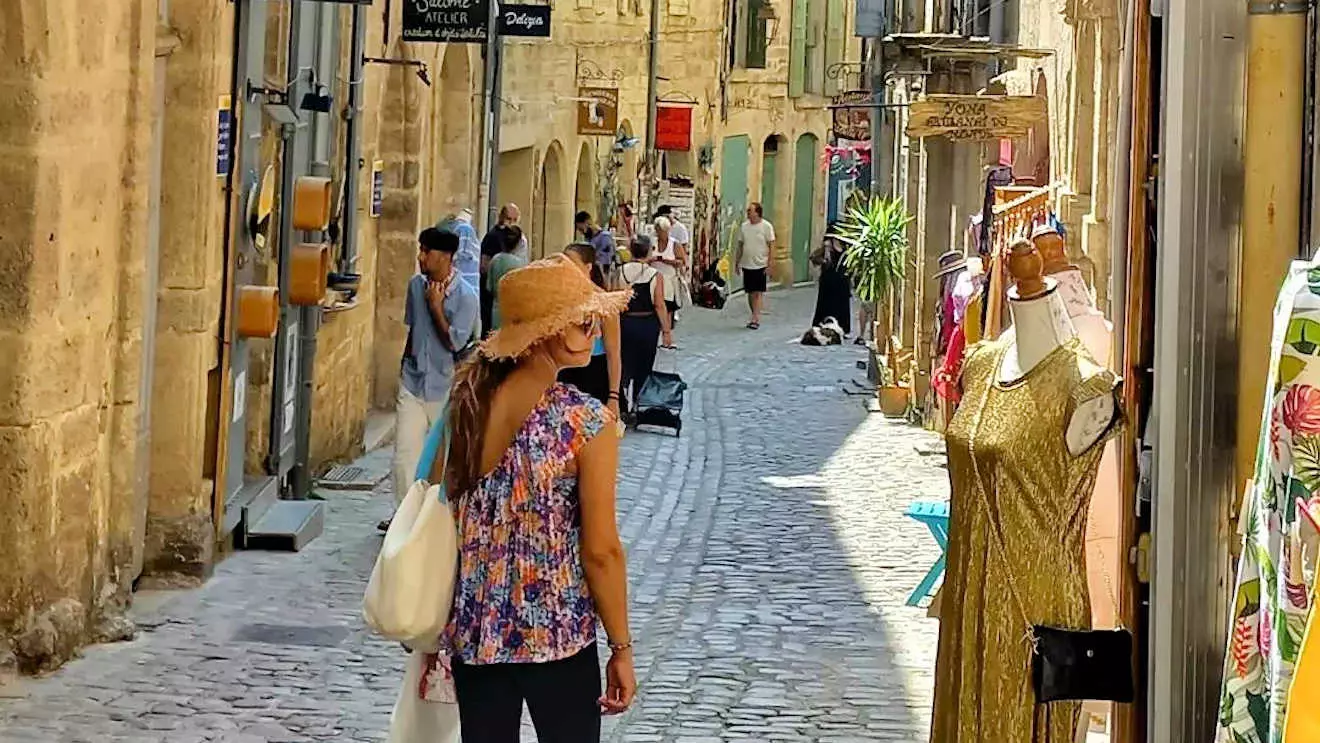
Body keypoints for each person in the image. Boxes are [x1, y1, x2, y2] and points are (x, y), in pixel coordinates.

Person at [438, 256, 636, 742]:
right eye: (583, 320)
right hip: (556, 634)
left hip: (478, 631)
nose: (594, 330)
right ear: (548, 332)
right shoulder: (584, 422)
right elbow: (601, 550)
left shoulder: (467, 405)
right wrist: (622, 648)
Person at [383, 228, 479, 532]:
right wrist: (405, 364)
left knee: (442, 458)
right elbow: (414, 330)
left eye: (427, 251)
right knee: (404, 455)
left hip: (445, 386)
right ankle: (403, 517)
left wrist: (437, 307)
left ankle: (435, 520)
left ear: (445, 257)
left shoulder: (466, 298)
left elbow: (455, 343)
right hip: (413, 381)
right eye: (421, 250)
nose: (420, 257)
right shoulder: (415, 286)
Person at [560, 243, 624, 417]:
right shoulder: (559, 298)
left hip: (593, 373)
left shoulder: (604, 302)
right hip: (565, 371)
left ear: (588, 267)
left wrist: (614, 396)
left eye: (572, 263)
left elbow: (614, 354)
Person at [618, 235, 673, 421]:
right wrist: (666, 331)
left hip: (625, 323)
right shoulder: (655, 275)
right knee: (644, 366)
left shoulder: (620, 272)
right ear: (648, 251)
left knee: (623, 364)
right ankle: (637, 406)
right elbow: (659, 304)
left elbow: (614, 299)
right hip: (647, 325)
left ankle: (621, 404)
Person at [734, 202, 775, 330]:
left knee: (757, 292)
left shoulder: (766, 226)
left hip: (760, 263)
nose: (748, 213)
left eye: (750, 211)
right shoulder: (744, 226)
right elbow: (740, 245)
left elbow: (772, 245)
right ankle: (754, 314)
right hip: (747, 263)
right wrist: (737, 262)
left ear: (757, 212)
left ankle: (755, 318)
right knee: (750, 292)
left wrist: (770, 263)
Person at [811, 224, 852, 335]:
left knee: (842, 304)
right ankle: (823, 324)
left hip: (842, 280)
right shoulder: (827, 246)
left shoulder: (846, 246)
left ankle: (842, 326)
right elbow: (815, 258)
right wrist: (825, 257)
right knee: (826, 303)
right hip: (828, 280)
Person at [486, 226, 528, 331]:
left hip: (496, 310)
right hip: (513, 312)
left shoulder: (495, 260)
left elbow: (489, 287)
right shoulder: (520, 265)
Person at [649, 216, 688, 320]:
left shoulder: (675, 244)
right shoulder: (651, 242)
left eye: (662, 231)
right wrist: (653, 259)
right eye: (658, 231)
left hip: (669, 280)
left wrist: (668, 261)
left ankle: (667, 326)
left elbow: (682, 262)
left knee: (667, 306)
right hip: (653, 279)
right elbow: (645, 259)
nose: (659, 233)